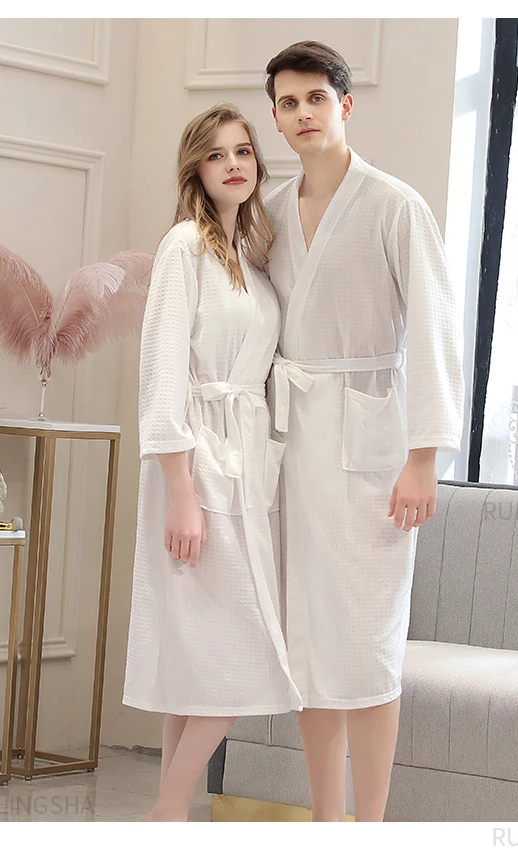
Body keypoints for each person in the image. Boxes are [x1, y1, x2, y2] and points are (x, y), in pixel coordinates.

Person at [262, 41, 465, 821]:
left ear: (345, 105)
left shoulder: (395, 206)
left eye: (316, 98)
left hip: (373, 454)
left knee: (370, 646)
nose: (303, 113)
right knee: (311, 646)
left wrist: (423, 458)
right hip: (294, 450)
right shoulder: (270, 210)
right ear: (275, 118)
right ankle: (326, 822)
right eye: (288, 102)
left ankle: (370, 824)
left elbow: (435, 333)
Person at [122, 103, 303, 822]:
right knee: (235, 656)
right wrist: (180, 491)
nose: (234, 164)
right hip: (195, 466)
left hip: (246, 461)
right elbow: (162, 372)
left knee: (198, 663)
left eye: (244, 151)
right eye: (217, 154)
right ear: (195, 168)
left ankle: (170, 817)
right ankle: (167, 813)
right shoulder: (184, 249)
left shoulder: (252, 262)